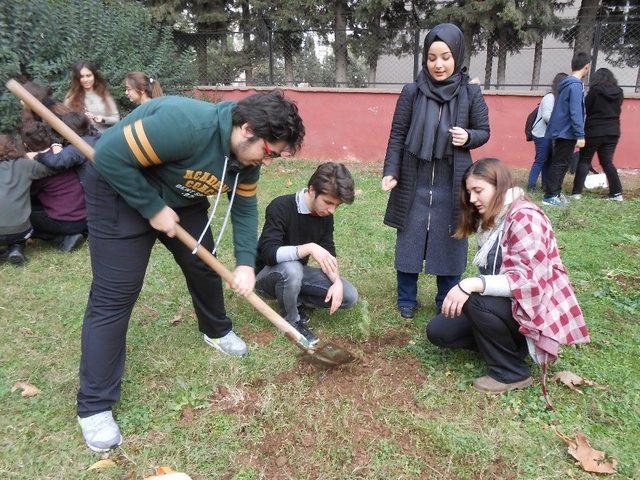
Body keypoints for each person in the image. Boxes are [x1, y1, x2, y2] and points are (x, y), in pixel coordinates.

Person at [76, 90, 305, 453]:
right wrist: (152, 207)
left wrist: (245, 263)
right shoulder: (185, 125)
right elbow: (107, 156)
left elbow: (244, 209)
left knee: (202, 265)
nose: (269, 158)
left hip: (182, 197)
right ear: (247, 129)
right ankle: (94, 406)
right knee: (116, 293)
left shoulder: (246, 158)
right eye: (269, 150)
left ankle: (216, 331)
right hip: (118, 190)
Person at [426, 158, 589, 394]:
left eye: (478, 191)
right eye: (469, 192)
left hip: (533, 311)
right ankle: (507, 346)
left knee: (475, 299)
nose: (472, 199)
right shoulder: (496, 217)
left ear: (499, 185)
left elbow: (528, 281)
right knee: (439, 331)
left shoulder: (525, 216)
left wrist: (472, 283)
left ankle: (511, 372)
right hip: (512, 307)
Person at [382, 23, 490, 319]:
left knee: (452, 234)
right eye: (432, 57)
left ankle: (446, 297)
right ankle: (407, 298)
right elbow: (398, 134)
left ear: (457, 55)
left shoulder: (470, 93)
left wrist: (468, 137)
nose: (438, 64)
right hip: (414, 175)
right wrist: (391, 170)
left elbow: (483, 131)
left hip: (453, 177)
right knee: (410, 234)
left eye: (445, 56)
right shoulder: (412, 92)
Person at [255, 162, 359, 346]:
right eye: (328, 202)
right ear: (312, 190)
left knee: (349, 295)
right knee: (293, 268)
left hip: (295, 274)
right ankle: (292, 320)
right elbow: (268, 253)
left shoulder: (325, 216)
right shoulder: (281, 206)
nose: (332, 210)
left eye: (337, 205)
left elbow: (328, 251)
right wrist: (309, 248)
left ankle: (296, 298)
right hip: (265, 277)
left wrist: (336, 282)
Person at [20, 122, 86, 253]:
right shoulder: (63, 154)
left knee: (23, 216)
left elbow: (28, 192)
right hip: (86, 216)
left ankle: (62, 238)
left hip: (69, 222)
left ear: (26, 145)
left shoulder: (36, 167)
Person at [542, 52, 590, 207]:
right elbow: (576, 111)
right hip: (566, 132)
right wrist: (580, 134)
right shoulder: (575, 86)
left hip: (561, 130)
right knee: (560, 163)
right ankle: (550, 196)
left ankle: (555, 193)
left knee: (561, 162)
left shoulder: (566, 84)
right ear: (586, 67)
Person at [571, 68, 624, 201]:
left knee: (584, 160)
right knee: (607, 162)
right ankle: (617, 193)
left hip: (594, 130)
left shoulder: (595, 91)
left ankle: (576, 193)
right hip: (613, 131)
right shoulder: (619, 92)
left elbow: (586, 108)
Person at [0, 134, 53, 265]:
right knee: (22, 223)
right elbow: (51, 170)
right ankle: (16, 249)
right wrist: (36, 156)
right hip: (20, 231)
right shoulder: (26, 165)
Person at [527, 72, 567, 191]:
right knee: (540, 160)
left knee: (548, 160)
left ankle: (545, 185)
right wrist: (561, 126)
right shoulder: (549, 97)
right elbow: (546, 116)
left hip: (550, 134)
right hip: (541, 134)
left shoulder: (558, 98)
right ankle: (531, 186)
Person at [64, 61, 120, 133]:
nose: (86, 80)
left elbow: (116, 118)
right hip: (85, 141)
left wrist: (102, 119)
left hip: (107, 138)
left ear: (94, 76)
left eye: (88, 76)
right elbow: (67, 125)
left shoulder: (103, 94)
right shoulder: (71, 99)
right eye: (81, 77)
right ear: (77, 79)